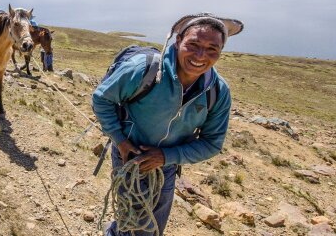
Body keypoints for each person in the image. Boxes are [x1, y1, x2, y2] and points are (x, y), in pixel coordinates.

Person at [92, 13, 244, 236]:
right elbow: (101, 98)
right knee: (137, 225)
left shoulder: (218, 91)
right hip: (129, 156)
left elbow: (212, 143)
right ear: (178, 40)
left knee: (154, 224)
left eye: (213, 48)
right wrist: (120, 140)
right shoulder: (144, 70)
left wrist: (165, 157)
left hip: (169, 165)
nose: (201, 55)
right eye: (193, 44)